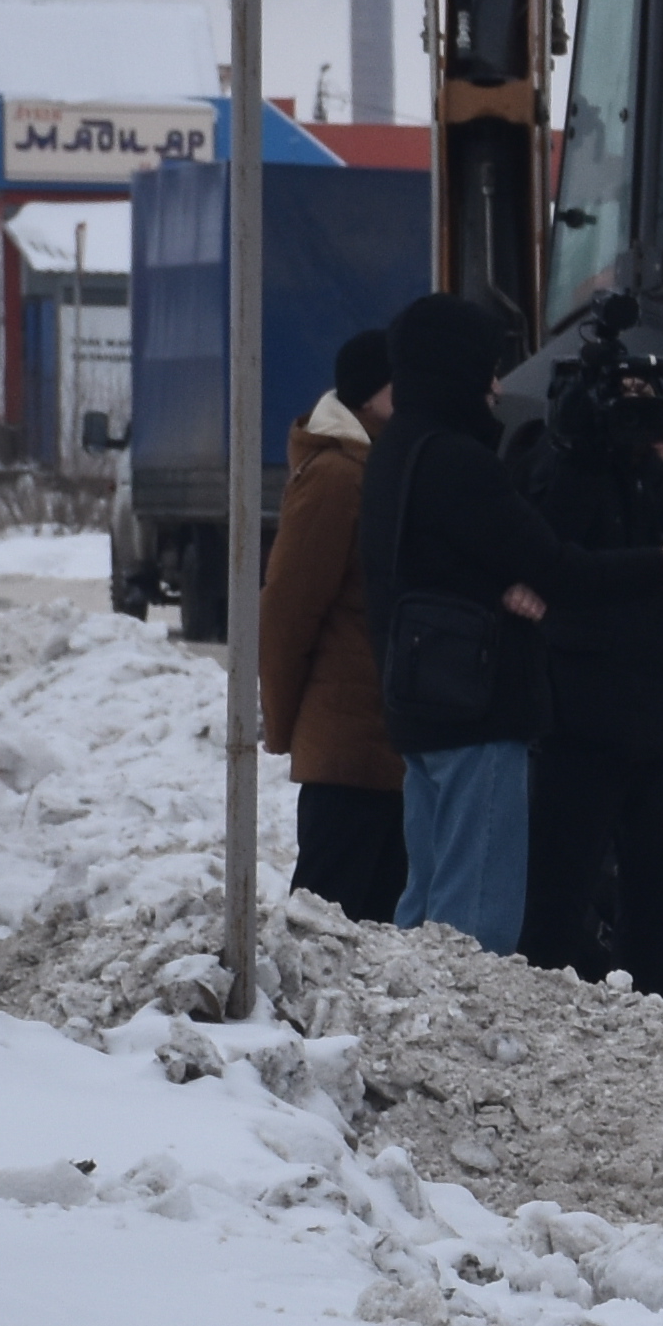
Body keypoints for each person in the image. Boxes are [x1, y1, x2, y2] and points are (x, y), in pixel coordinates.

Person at [360, 291, 609, 952]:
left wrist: (501, 582)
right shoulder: (458, 460)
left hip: (421, 701)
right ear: (456, 370)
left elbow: (434, 560)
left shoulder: (396, 451)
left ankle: (412, 1028)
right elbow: (549, 561)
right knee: (474, 924)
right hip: (477, 707)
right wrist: (660, 566)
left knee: (425, 901)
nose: (498, 387)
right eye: (488, 368)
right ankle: (450, 1040)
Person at [510, 325, 663, 985]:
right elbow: (555, 560)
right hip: (583, 720)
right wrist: (584, 448)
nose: (635, 416)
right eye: (623, 401)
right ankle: (542, 1004)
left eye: (647, 400)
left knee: (658, 902)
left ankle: (653, 1009)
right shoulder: (562, 469)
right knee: (558, 895)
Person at [257, 330, 403, 923]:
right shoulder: (338, 475)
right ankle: (291, 1019)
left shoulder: (376, 464)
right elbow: (289, 609)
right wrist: (289, 725)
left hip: (376, 738)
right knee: (326, 918)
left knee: (371, 917)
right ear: (370, 397)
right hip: (346, 745)